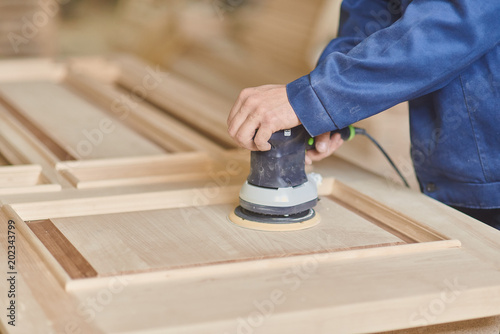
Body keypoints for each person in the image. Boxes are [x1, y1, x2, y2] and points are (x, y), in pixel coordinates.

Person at [226, 0, 500, 230]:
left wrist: (313, 98)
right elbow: (370, 15)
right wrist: (329, 110)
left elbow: (454, 24)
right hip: (460, 166)